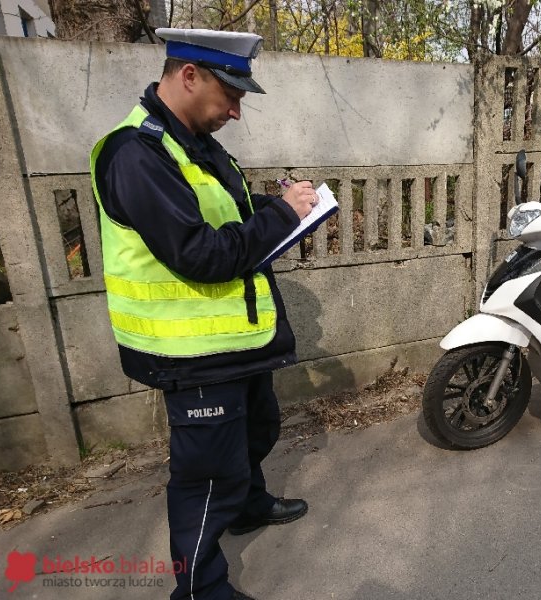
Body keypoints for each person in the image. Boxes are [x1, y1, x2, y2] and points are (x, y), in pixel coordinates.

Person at [90, 27, 315, 600]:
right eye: (231, 96)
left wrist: (281, 204)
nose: (237, 113)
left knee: (258, 429)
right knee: (207, 476)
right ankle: (200, 589)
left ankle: (247, 506)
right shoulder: (136, 153)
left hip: (234, 342)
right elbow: (202, 254)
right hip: (190, 355)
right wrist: (283, 217)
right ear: (189, 75)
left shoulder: (192, 141)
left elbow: (229, 213)